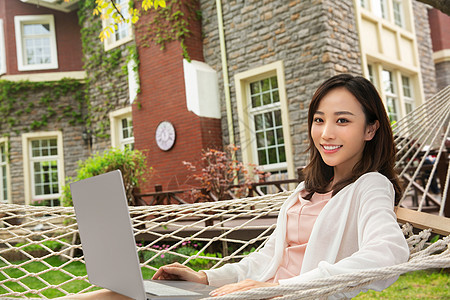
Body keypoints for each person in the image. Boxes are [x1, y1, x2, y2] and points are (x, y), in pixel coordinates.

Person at [62, 74, 410, 299]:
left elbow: (387, 253)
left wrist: (279, 288)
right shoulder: (305, 190)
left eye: (343, 121)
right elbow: (265, 260)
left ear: (371, 129)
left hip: (285, 296)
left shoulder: (370, 186)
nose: (326, 133)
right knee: (108, 294)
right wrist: (202, 278)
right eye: (319, 120)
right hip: (250, 293)